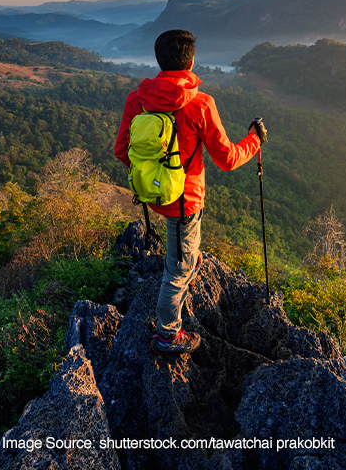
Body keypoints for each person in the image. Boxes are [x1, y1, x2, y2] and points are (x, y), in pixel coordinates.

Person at [114, 29, 267, 355]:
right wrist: (254, 140)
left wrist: (153, 174)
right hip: (186, 201)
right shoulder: (200, 104)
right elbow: (226, 159)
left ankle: (188, 261)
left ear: (159, 60)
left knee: (183, 250)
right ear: (191, 61)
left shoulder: (137, 99)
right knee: (176, 270)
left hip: (155, 194)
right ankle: (167, 335)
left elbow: (122, 150)